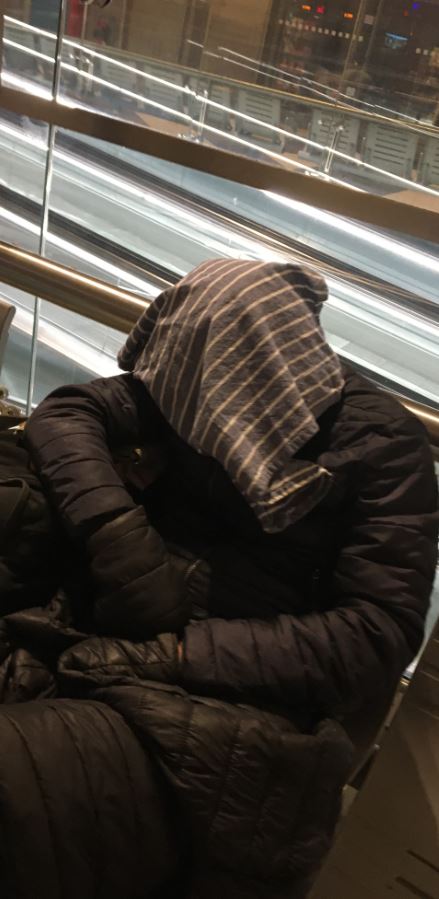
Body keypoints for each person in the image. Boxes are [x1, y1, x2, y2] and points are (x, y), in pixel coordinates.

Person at [0, 259, 437, 899]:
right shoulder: (185, 384)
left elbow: (375, 634)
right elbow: (69, 413)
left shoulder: (380, 446)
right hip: (98, 637)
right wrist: (119, 538)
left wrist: (175, 655)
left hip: (230, 721)